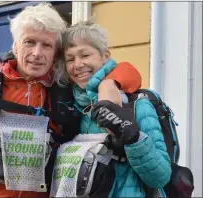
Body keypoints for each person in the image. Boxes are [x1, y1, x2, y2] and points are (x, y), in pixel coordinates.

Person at [0, 3, 142, 197]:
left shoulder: (61, 89)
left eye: (47, 45)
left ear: (55, 54)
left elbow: (130, 73)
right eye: (29, 42)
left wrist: (110, 83)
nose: (37, 53)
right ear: (16, 46)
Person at [58, 21, 172, 197]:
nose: (78, 64)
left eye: (85, 55)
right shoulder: (72, 107)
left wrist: (133, 138)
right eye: (70, 59)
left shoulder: (137, 105)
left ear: (105, 56)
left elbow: (161, 177)